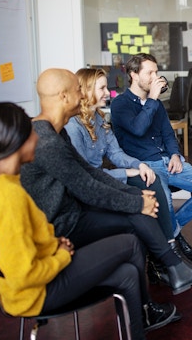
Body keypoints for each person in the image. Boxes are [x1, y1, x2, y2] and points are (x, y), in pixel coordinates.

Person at [0, 102, 171, 339]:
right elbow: (24, 274)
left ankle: (140, 326)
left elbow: (17, 244)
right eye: (32, 133)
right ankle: (150, 309)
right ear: (18, 141)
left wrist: (53, 245)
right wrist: (61, 255)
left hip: (8, 290)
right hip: (35, 292)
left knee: (127, 274)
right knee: (131, 243)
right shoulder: (11, 197)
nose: (37, 139)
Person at [20, 68, 192, 299]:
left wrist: (136, 184)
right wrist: (136, 202)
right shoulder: (50, 140)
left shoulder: (57, 132)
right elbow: (87, 186)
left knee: (141, 211)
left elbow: (90, 172)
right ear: (65, 97)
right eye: (80, 90)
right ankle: (171, 268)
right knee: (137, 219)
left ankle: (170, 274)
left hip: (72, 211)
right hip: (60, 224)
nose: (86, 95)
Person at [110, 53, 192, 257]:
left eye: (156, 72)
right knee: (166, 200)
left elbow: (168, 133)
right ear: (134, 74)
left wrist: (175, 155)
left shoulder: (158, 104)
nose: (155, 76)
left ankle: (172, 230)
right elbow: (138, 129)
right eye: (150, 72)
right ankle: (175, 241)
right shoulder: (120, 104)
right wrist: (152, 98)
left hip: (167, 162)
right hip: (145, 166)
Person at [64, 68, 174, 243]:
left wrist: (139, 165)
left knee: (152, 180)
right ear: (85, 90)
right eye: (102, 88)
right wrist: (126, 172)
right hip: (92, 184)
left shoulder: (99, 120)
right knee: (142, 197)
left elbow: (115, 152)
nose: (108, 93)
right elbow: (86, 176)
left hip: (104, 176)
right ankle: (166, 251)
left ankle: (170, 242)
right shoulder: (73, 127)